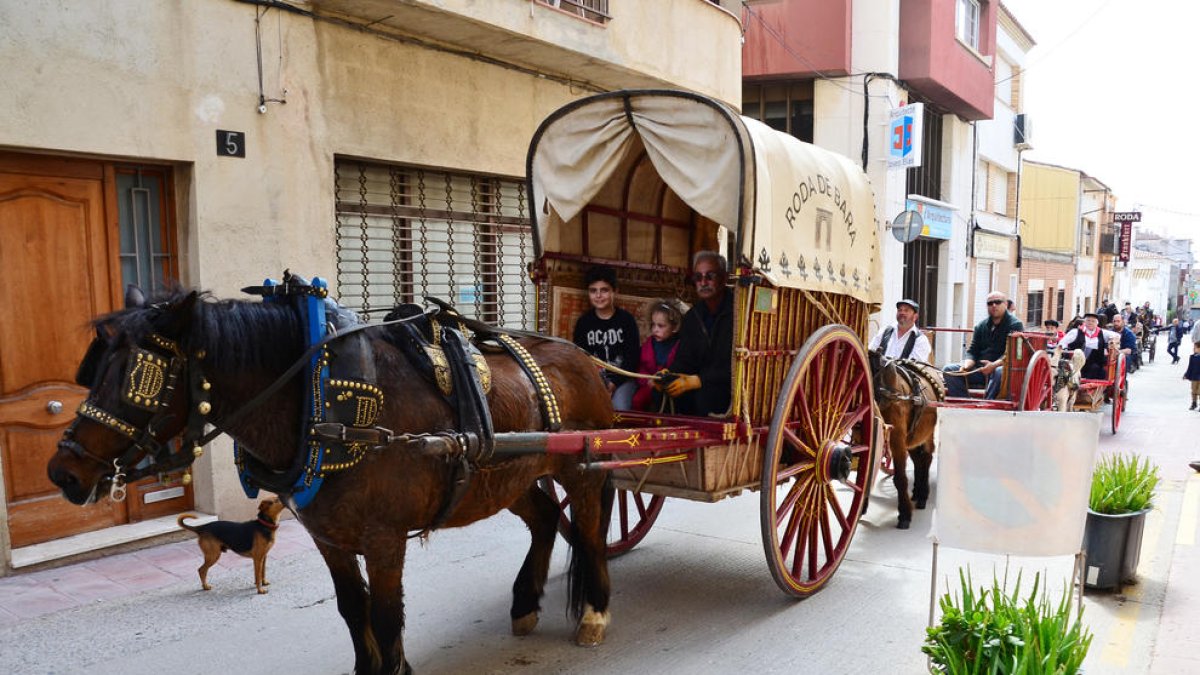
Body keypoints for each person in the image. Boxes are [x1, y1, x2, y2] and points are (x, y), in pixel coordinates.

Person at [661, 251, 734, 416]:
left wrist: (699, 380)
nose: (703, 282)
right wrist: (668, 375)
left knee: (705, 397)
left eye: (710, 276)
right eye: (698, 277)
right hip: (698, 384)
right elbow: (685, 359)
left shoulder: (737, 313)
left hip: (726, 388)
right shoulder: (692, 317)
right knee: (663, 393)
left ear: (723, 278)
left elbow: (734, 367)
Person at [572, 265, 640, 410]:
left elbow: (632, 358)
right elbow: (580, 358)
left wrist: (614, 383)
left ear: (615, 291)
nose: (598, 295)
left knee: (620, 407)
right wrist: (598, 383)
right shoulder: (583, 323)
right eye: (593, 291)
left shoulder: (626, 320)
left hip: (622, 380)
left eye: (604, 290)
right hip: (593, 380)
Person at [943, 291, 1024, 399]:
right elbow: (972, 351)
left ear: (1005, 304)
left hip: (1002, 371)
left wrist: (993, 365)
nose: (994, 305)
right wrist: (966, 365)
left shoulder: (1015, 325)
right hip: (980, 369)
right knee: (949, 369)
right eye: (990, 303)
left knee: (999, 372)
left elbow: (1012, 353)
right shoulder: (980, 326)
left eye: (998, 302)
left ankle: (987, 402)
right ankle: (964, 402)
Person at [632, 299, 683, 412]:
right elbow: (641, 368)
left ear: (674, 327)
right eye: (653, 325)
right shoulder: (649, 344)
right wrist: (647, 380)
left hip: (671, 387)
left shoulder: (680, 346)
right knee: (637, 400)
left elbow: (681, 369)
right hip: (650, 384)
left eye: (661, 326)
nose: (655, 330)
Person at [1057, 312, 1121, 380]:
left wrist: (1112, 342)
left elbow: (1117, 335)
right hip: (1075, 363)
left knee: (1095, 368)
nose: (1090, 323)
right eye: (1088, 320)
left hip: (1094, 364)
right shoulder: (1075, 332)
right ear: (1084, 322)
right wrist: (1065, 349)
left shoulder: (1103, 333)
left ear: (1097, 323)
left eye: (1093, 321)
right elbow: (1062, 343)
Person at [1185, 341, 1200, 410]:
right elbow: (1190, 367)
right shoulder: (1192, 357)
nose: (1193, 349)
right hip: (1194, 377)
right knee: (1194, 391)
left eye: (1195, 347)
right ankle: (1194, 403)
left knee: (1199, 391)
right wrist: (1186, 374)